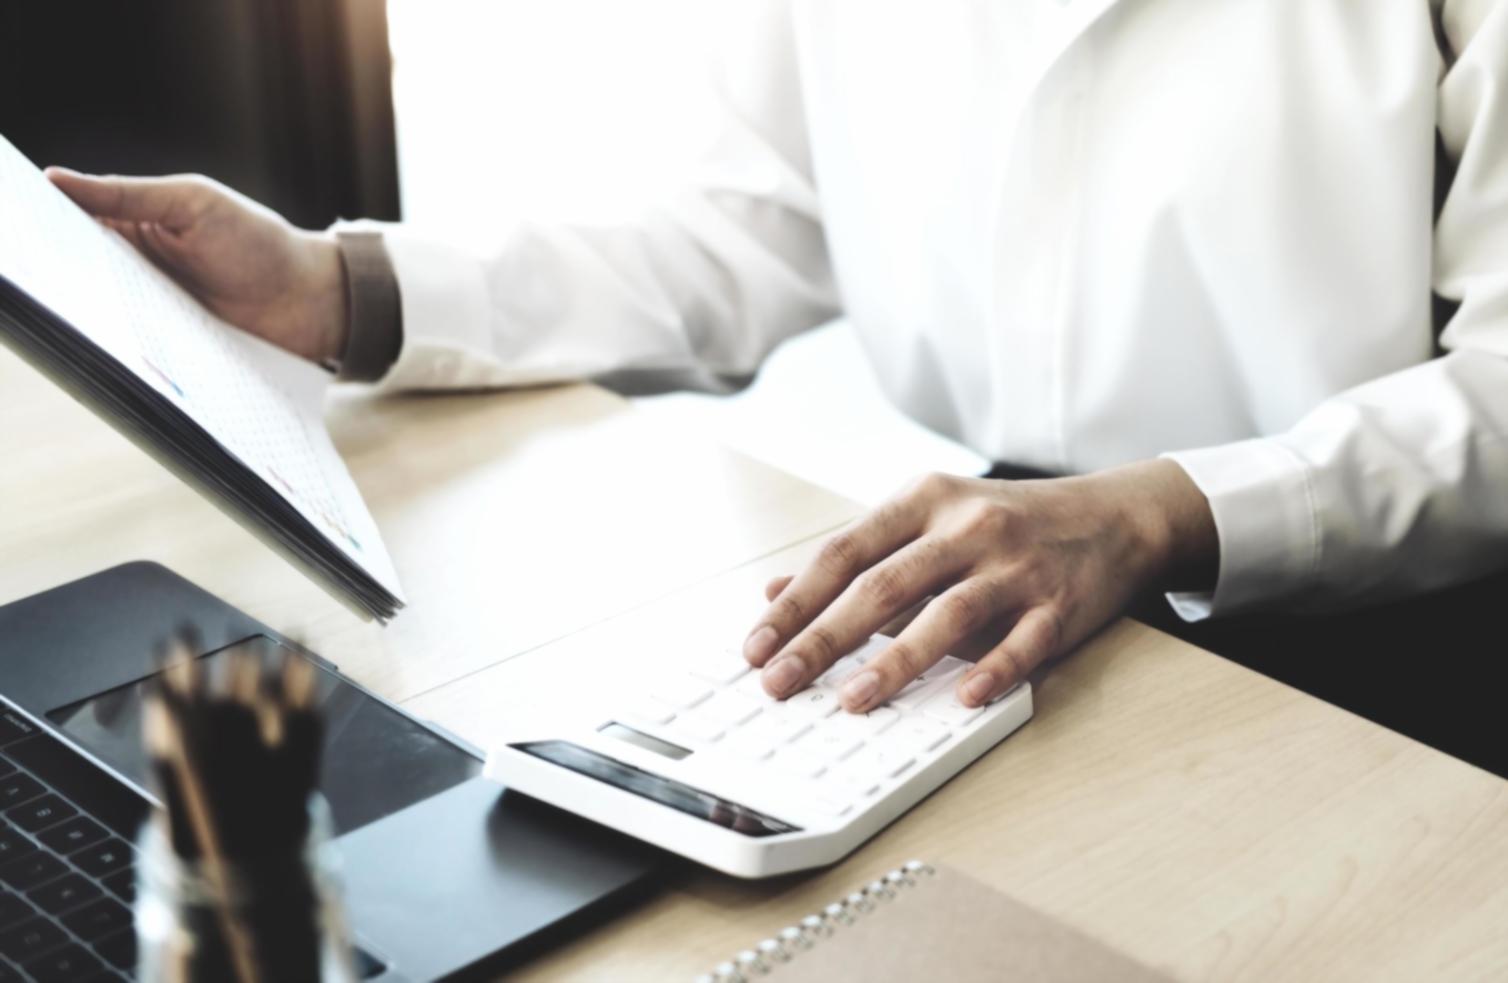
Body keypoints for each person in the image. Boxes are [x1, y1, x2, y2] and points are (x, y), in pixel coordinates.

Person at [45, 3, 1508, 726]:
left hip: (1382, 608)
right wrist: (342, 286)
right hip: (1001, 573)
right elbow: (749, 218)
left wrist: (1161, 511)